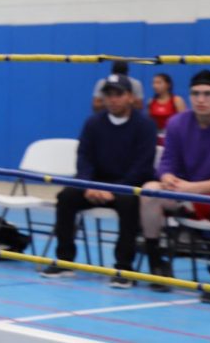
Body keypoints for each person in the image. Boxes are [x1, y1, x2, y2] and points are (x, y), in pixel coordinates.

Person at [139, 69, 210, 301]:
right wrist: (167, 177)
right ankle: (157, 265)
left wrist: (196, 188)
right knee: (149, 189)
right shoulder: (177, 123)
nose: (201, 99)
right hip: (185, 193)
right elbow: (167, 162)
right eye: (195, 93)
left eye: (208, 94)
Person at [39, 74, 157, 286]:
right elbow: (84, 156)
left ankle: (124, 268)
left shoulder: (145, 126)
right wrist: (87, 185)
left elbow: (143, 165)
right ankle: (64, 259)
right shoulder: (93, 123)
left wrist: (116, 189)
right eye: (108, 94)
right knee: (66, 197)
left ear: (130, 97)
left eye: (118, 94)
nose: (113, 99)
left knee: (130, 204)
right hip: (95, 184)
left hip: (127, 186)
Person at [147, 73, 185, 137]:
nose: (155, 86)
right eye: (153, 83)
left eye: (159, 83)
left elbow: (185, 123)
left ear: (168, 85)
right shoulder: (150, 102)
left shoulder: (177, 100)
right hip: (156, 137)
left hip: (173, 136)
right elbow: (149, 123)